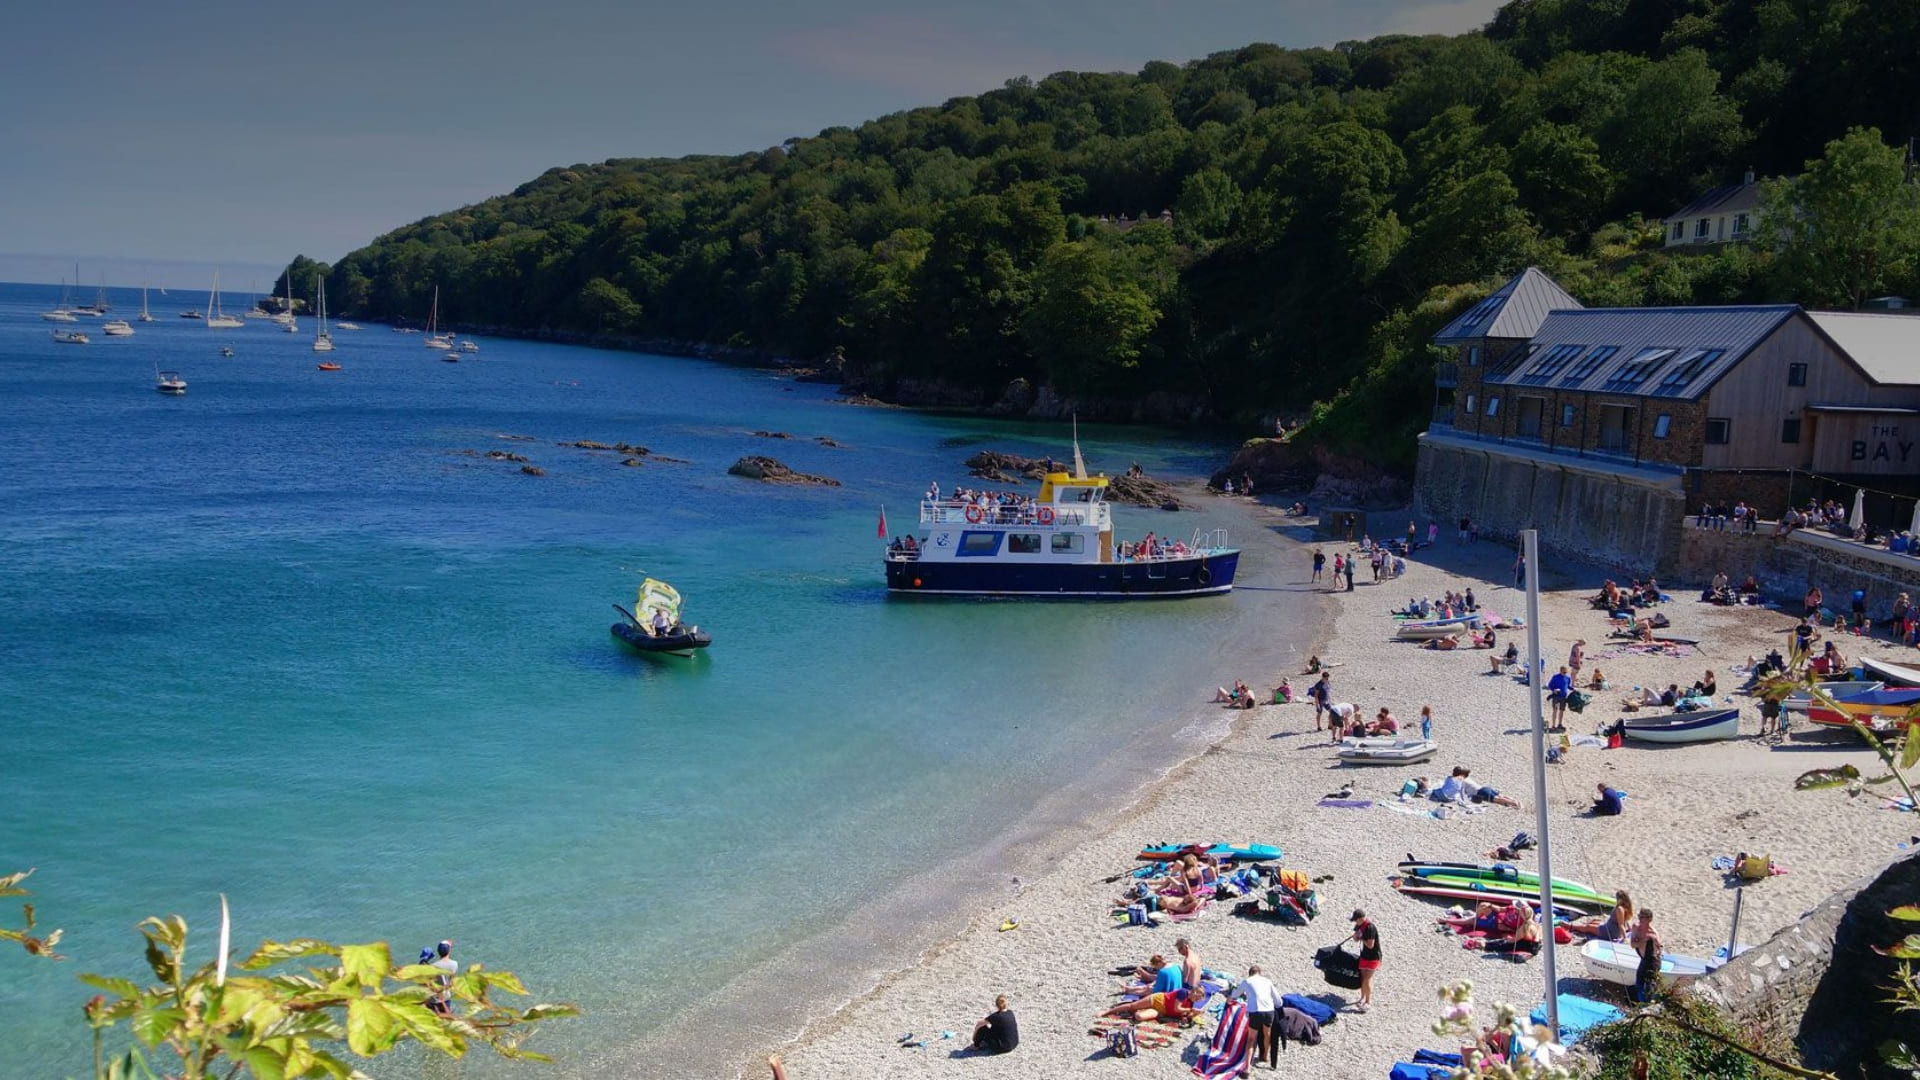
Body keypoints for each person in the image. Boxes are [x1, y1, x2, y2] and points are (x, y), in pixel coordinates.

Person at [1235, 964, 1279, 1068]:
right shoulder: (1267, 981)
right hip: (1268, 1011)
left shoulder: (1247, 981)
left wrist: (1230, 998)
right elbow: (1278, 1000)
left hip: (1255, 1012)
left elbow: (1236, 993)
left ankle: (1246, 1067)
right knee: (1267, 1034)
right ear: (1260, 973)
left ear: (1250, 974)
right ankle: (1265, 1056)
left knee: (1251, 1039)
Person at [1102, 988, 1197, 1022]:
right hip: (1157, 1000)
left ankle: (1141, 1009)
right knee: (1132, 1006)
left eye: (1198, 999)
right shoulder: (1183, 993)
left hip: (1160, 1011)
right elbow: (1177, 1008)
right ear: (1193, 992)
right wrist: (1189, 1011)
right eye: (1197, 997)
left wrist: (1191, 1015)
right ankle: (1107, 1011)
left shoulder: (1191, 1003)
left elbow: (1184, 1015)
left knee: (1139, 1017)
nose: (1196, 1000)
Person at [1629, 909, 1663, 1003]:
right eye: (1639, 916)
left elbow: (1659, 948)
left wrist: (1656, 945)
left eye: (1642, 917)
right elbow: (1632, 944)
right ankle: (1643, 1002)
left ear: (1649, 919)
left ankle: (1647, 1003)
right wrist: (1643, 940)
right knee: (1639, 983)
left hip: (1652, 962)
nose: (1640, 919)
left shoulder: (1653, 934)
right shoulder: (1636, 927)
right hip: (1643, 959)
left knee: (1648, 985)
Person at [1350, 909, 1381, 1012]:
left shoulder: (1370, 927)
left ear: (1361, 918)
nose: (1355, 922)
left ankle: (1368, 1002)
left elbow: (1371, 945)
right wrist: (1356, 937)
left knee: (1367, 980)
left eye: (1356, 920)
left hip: (1373, 957)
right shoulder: (1359, 926)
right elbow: (1355, 938)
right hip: (1364, 955)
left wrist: (1361, 938)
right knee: (1363, 979)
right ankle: (1362, 998)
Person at [427, 940, 457, 1016]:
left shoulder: (432, 966)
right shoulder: (454, 964)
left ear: (438, 951)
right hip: (446, 997)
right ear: (449, 950)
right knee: (446, 1020)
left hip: (434, 999)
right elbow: (451, 981)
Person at [1546, 666, 1573, 731]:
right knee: (1555, 710)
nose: (1565, 673)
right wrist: (1554, 690)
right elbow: (1550, 685)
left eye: (1566, 672)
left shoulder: (1568, 677)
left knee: (1562, 711)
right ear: (1560, 671)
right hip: (1556, 696)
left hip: (1563, 697)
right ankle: (1553, 725)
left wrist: (1573, 689)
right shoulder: (1555, 677)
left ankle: (1560, 724)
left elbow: (1568, 686)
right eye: (1563, 672)